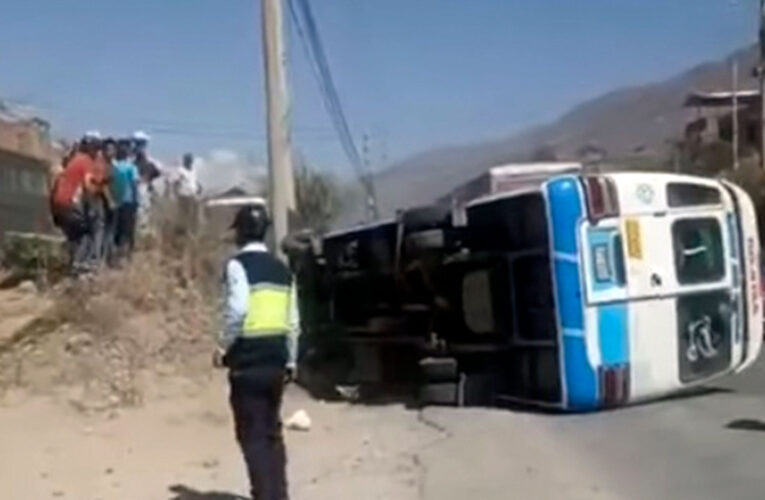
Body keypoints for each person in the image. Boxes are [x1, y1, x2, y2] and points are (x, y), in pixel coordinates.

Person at [217, 204, 299, 500]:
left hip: (248, 362)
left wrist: (222, 346)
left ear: (240, 231)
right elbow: (293, 322)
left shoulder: (236, 266)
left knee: (253, 437)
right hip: (276, 363)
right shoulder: (283, 270)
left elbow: (237, 309)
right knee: (272, 434)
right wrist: (291, 360)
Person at [51, 134, 100, 275]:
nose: (97, 152)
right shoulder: (86, 162)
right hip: (69, 203)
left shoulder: (73, 160)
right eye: (96, 149)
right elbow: (87, 185)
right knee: (87, 233)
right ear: (91, 148)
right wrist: (94, 202)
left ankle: (68, 265)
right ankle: (78, 268)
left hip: (58, 203)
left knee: (73, 236)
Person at [109, 139, 140, 264]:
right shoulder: (131, 168)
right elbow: (134, 185)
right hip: (128, 202)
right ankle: (125, 257)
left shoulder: (114, 167)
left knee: (116, 230)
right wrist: (137, 201)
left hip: (115, 202)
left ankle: (114, 257)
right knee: (127, 231)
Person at [172, 152, 202, 234]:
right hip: (184, 195)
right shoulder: (180, 171)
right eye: (188, 160)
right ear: (185, 161)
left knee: (195, 215)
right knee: (185, 215)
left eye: (191, 160)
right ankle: (184, 232)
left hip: (193, 195)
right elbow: (175, 183)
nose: (190, 162)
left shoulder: (193, 171)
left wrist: (199, 188)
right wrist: (175, 194)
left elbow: (194, 181)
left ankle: (194, 231)